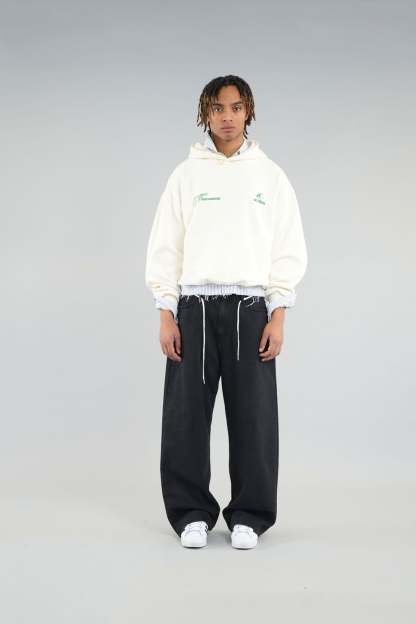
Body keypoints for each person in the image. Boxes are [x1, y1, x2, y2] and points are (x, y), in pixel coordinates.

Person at [145, 74, 307, 549]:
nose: (227, 117)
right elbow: (166, 245)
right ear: (205, 114)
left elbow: (286, 248)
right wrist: (165, 311)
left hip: (250, 311)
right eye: (217, 108)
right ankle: (191, 513)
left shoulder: (270, 176)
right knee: (185, 417)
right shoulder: (186, 175)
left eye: (236, 107)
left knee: (254, 417)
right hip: (193, 310)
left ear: (248, 111)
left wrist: (278, 313)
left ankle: (249, 516)